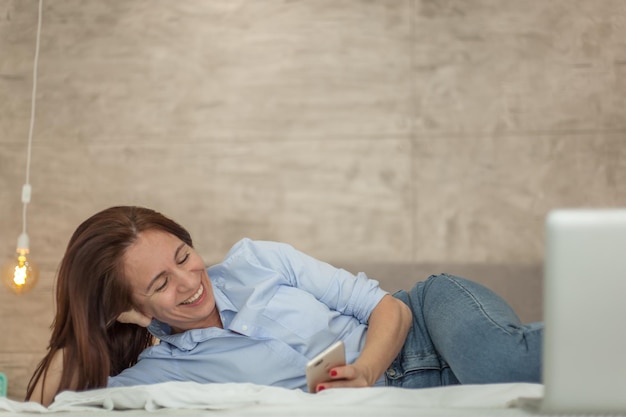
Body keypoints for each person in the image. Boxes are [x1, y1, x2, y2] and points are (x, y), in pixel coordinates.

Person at [26, 206, 543, 406]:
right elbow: (48, 403)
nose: (190, 281)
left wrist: (363, 372)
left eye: (185, 256)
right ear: (128, 309)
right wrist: (85, 326)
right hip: (423, 387)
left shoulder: (260, 260)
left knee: (502, 361)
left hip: (429, 322)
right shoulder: (160, 377)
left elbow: (392, 309)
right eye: (161, 283)